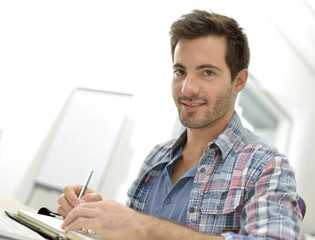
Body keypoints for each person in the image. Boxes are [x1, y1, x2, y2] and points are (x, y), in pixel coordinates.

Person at [57, 10, 305, 239]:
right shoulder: (157, 157)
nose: (188, 88)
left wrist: (140, 226)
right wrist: (99, 219)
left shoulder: (266, 167)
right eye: (180, 72)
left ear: (238, 81)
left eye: (207, 72)